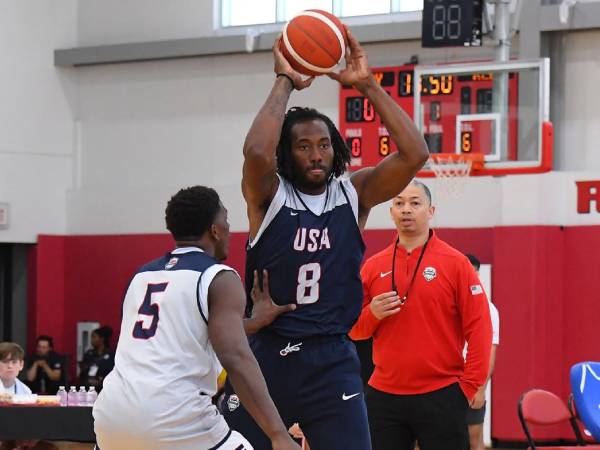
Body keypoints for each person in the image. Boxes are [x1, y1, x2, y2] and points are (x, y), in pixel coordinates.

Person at [223, 27, 429, 450]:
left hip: (332, 358)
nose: (316, 154)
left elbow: (415, 154)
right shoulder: (269, 196)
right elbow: (256, 154)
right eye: (302, 146)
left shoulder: (353, 193)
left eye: (322, 144)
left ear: (335, 148)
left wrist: (368, 85)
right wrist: (284, 81)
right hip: (268, 355)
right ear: (288, 153)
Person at [93, 186, 301, 450]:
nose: (229, 229)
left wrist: (253, 323)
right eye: (226, 220)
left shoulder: (141, 276)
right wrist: (278, 434)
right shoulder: (219, 277)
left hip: (112, 418)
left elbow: (186, 331)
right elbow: (235, 356)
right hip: (173, 418)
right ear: (214, 230)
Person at [349, 181, 493, 450]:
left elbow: (480, 327)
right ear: (391, 212)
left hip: (443, 394)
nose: (407, 209)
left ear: (431, 211)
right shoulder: (372, 267)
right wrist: (373, 314)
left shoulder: (456, 263)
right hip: (384, 396)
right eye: (399, 203)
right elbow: (354, 330)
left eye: (415, 203)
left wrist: (469, 386)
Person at [464, 254, 500, 450]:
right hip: (443, 382)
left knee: (473, 441)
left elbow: (490, 351)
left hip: (471, 382)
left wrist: (480, 388)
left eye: (473, 273)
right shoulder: (445, 303)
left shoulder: (488, 310)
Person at [79, 326, 115, 390]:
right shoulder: (89, 353)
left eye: (93, 337)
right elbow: (83, 371)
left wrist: (101, 380)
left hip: (104, 388)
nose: (91, 340)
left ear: (102, 339)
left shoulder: (111, 355)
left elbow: (111, 373)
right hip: (88, 387)